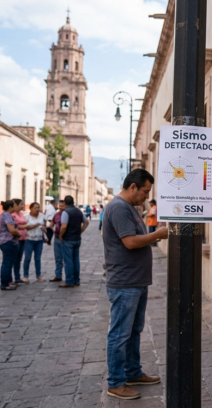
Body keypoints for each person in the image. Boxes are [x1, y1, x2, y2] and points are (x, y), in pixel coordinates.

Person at [102, 169, 167, 400]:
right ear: (133, 187)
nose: (146, 196)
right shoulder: (119, 207)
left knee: (133, 331)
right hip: (125, 282)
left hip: (135, 281)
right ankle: (116, 382)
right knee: (120, 334)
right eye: (145, 191)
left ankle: (132, 372)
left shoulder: (130, 208)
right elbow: (130, 242)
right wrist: (158, 234)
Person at [58, 196, 88, 288]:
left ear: (65, 203)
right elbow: (86, 222)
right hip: (77, 239)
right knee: (76, 260)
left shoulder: (66, 212)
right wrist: (80, 231)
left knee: (68, 261)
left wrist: (60, 235)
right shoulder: (79, 211)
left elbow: (63, 226)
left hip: (68, 239)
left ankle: (69, 281)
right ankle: (76, 280)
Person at [11, 199, 37, 285]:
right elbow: (15, 226)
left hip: (23, 239)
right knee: (13, 259)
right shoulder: (13, 215)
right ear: (16, 205)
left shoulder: (21, 214)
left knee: (18, 259)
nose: (22, 206)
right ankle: (9, 278)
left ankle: (17, 277)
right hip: (16, 239)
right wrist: (27, 226)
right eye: (21, 204)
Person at [0, 200, 22, 290]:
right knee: (7, 263)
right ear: (11, 207)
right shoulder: (7, 215)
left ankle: (8, 281)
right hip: (8, 241)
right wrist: (19, 234)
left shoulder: (5, 215)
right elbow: (12, 229)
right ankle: (5, 283)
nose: (15, 208)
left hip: (7, 241)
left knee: (7, 263)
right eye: (14, 206)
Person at [23, 202, 46, 282]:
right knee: (27, 258)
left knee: (38, 258)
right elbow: (23, 228)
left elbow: (44, 226)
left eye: (38, 208)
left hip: (39, 240)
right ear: (31, 209)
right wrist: (32, 226)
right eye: (35, 208)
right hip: (29, 239)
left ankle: (38, 275)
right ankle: (26, 276)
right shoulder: (26, 217)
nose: (37, 210)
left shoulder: (42, 216)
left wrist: (44, 230)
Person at [49, 201, 67, 282]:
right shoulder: (56, 215)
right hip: (57, 238)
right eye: (60, 205)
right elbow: (51, 224)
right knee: (58, 258)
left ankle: (69, 276)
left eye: (62, 205)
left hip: (66, 239)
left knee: (67, 259)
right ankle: (58, 275)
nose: (61, 207)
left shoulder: (68, 214)